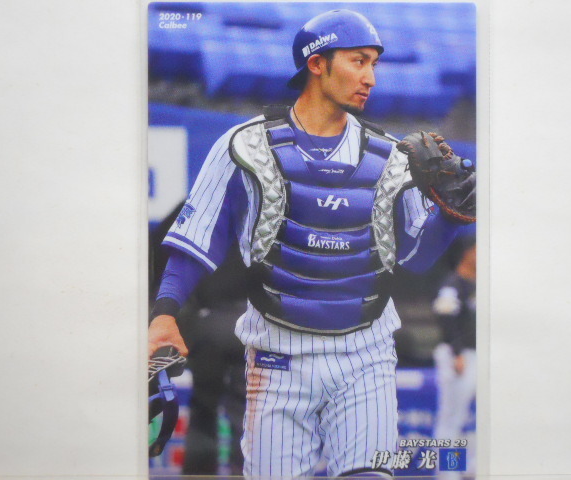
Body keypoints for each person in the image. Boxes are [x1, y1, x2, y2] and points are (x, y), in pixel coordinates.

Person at [148, 9, 474, 478]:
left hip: (366, 354)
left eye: (374, 64)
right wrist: (164, 314)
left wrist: (450, 218)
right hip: (276, 354)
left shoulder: (392, 156)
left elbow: (416, 259)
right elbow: (196, 240)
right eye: (358, 61)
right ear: (317, 63)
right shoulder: (245, 145)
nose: (371, 78)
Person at [432, 234, 477, 479]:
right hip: (458, 356)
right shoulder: (452, 284)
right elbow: (445, 318)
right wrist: (457, 352)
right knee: (452, 419)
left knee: (482, 417)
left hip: (479, 355)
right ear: (467, 253)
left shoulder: (481, 284)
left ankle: (475, 469)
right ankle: (448, 473)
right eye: (477, 250)